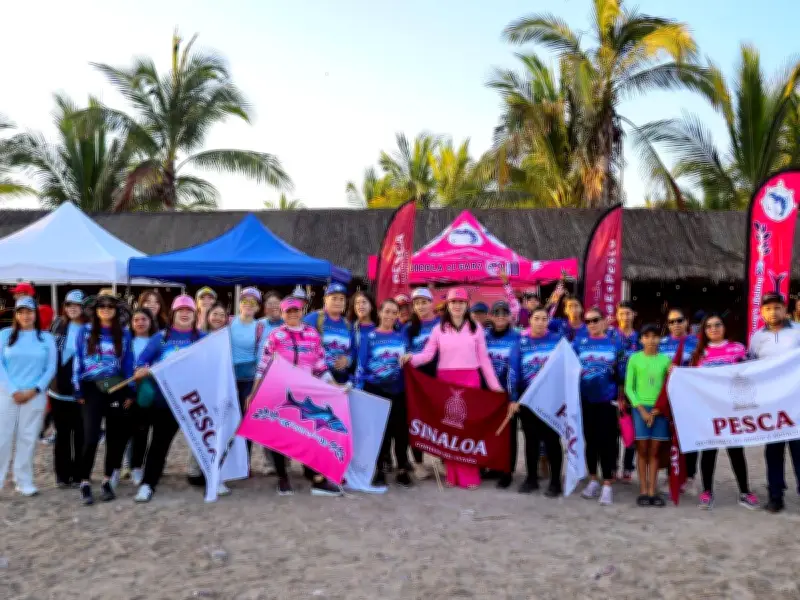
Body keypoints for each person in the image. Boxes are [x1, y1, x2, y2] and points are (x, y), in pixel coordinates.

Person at [402, 288, 504, 489]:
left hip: (470, 381)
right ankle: (452, 475)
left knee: (467, 429)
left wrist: (495, 386)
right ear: (447, 305)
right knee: (450, 429)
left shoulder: (475, 328)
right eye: (453, 302)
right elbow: (427, 355)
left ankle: (469, 475)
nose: (457, 306)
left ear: (466, 305)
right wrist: (410, 359)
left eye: (461, 302)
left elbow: (484, 360)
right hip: (446, 382)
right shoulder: (439, 328)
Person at [250, 296, 343, 497]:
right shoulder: (276, 335)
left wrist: (335, 386)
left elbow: (320, 365)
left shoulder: (312, 334)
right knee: (279, 434)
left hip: (307, 393)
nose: (292, 314)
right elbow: (263, 365)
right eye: (288, 311)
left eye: (296, 311)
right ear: (282, 314)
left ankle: (315, 478)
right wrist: (254, 393)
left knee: (309, 434)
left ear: (302, 312)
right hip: (279, 391)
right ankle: (282, 477)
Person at [131, 295, 215, 502]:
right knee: (158, 445)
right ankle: (148, 484)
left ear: (195, 315)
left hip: (194, 402)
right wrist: (142, 371)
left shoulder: (203, 338)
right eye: (181, 310)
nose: (185, 314)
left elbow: (213, 367)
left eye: (189, 311)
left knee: (204, 442)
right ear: (173, 314)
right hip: (165, 403)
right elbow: (141, 362)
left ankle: (212, 481)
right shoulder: (160, 338)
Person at [73, 289, 135, 505]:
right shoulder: (85, 331)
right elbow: (78, 359)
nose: (106, 310)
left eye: (110, 306)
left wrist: (131, 390)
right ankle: (84, 481)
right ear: (95, 310)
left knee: (115, 437)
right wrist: (77, 388)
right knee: (90, 437)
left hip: (117, 386)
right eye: (102, 306)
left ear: (116, 310)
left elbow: (128, 362)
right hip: (91, 387)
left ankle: (108, 480)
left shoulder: (124, 333)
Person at [690, 313, 758, 510]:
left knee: (736, 451)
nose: (713, 329)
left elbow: (752, 373)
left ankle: (745, 491)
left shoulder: (737, 348)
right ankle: (707, 492)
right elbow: (691, 379)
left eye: (717, 325)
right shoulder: (699, 353)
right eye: (709, 326)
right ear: (704, 330)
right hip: (708, 410)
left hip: (732, 410)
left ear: (724, 327)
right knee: (708, 452)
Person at [748, 293, 800, 513]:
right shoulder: (757, 337)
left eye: (777, 308)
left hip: (796, 402)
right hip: (770, 404)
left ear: (785, 309)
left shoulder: (798, 331)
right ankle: (775, 495)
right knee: (773, 450)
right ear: (761, 312)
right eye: (768, 309)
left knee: (799, 450)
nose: (773, 312)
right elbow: (750, 366)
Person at [0, 296, 57, 496]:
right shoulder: (5, 335)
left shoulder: (46, 338)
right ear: (16, 314)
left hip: (35, 395)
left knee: (28, 438)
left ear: (35, 314)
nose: (25, 316)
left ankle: (23, 480)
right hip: (8, 395)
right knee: (3, 438)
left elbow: (50, 367)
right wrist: (13, 390)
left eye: (29, 312)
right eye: (21, 312)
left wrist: (35, 390)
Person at [355, 299, 412, 488]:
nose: (389, 315)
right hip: (375, 390)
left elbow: (410, 362)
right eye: (386, 311)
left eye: (393, 312)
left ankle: (402, 469)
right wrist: (359, 390)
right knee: (380, 433)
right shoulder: (369, 337)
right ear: (379, 313)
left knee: (401, 433)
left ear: (397, 316)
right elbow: (361, 366)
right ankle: (380, 469)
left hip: (399, 390)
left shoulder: (402, 337)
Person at [508, 307, 563, 496]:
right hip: (528, 399)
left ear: (548, 321)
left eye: (544, 319)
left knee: (552, 440)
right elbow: (513, 371)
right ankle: (531, 479)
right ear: (529, 321)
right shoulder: (520, 343)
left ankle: (556, 482)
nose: (540, 322)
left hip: (551, 399)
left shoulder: (557, 341)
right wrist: (513, 399)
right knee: (530, 441)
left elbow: (567, 368)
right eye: (536, 318)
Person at [575, 307, 623, 505]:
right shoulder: (579, 343)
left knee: (608, 443)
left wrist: (621, 397)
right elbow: (565, 363)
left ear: (604, 321)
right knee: (590, 441)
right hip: (586, 401)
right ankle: (593, 479)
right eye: (588, 321)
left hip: (608, 401)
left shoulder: (614, 343)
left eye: (596, 320)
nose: (592, 324)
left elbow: (621, 373)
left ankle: (607, 484)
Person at [625, 324, 671, 507]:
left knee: (655, 451)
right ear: (641, 339)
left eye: (654, 336)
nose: (651, 340)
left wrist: (659, 409)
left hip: (659, 409)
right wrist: (642, 410)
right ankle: (643, 488)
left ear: (659, 339)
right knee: (642, 449)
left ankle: (653, 489)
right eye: (647, 336)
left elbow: (669, 385)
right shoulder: (634, 359)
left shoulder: (666, 360)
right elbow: (630, 387)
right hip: (640, 408)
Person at [48, 290, 87, 488]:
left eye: (77, 305)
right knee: (62, 435)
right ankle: (62, 475)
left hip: (80, 393)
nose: (73, 308)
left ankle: (79, 474)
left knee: (80, 434)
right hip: (57, 391)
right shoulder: (57, 324)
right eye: (70, 304)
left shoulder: (89, 328)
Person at [658, 308, 699, 490]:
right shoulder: (662, 344)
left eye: (679, 320)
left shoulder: (697, 343)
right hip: (668, 398)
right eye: (671, 322)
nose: (675, 325)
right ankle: (670, 474)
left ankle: (689, 476)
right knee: (669, 437)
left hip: (691, 397)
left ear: (687, 322)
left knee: (690, 437)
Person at [404, 287, 440, 480]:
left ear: (431, 303)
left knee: (440, 421)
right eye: (417, 303)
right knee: (416, 420)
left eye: (424, 302)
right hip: (416, 381)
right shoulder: (409, 328)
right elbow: (403, 351)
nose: (421, 306)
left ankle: (444, 459)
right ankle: (418, 463)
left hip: (437, 379)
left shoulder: (441, 324)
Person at [484, 300, 520, 488]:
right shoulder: (484, 336)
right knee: (491, 431)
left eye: (503, 313)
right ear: (491, 316)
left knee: (509, 434)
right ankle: (494, 466)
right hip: (488, 394)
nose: (500, 317)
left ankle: (507, 471)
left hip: (508, 393)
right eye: (496, 313)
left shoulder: (517, 337)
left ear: (509, 316)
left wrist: (514, 397)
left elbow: (517, 369)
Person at [124, 308, 159, 487]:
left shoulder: (158, 340)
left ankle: (137, 467)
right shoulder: (125, 341)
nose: (140, 323)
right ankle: (120, 467)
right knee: (123, 432)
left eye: (144, 319)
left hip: (148, 392)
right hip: (127, 391)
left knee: (141, 432)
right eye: (136, 319)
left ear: (151, 321)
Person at [611, 301, 641, 483]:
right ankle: (613, 466)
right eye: (621, 313)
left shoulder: (640, 338)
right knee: (613, 430)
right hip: (614, 389)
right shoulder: (610, 336)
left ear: (633, 315)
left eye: (628, 313)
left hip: (635, 390)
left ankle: (628, 467)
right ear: (617, 315)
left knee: (632, 429)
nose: (625, 317)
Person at [305, 282, 352, 384]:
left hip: (340, 379)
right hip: (317, 378)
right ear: (325, 299)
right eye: (334, 298)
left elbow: (353, 351)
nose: (338, 302)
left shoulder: (348, 324)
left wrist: (347, 360)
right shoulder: (313, 318)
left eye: (341, 299)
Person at [348, 290, 377, 359]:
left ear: (372, 306)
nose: (360, 305)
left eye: (364, 302)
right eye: (357, 303)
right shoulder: (349, 327)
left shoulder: (378, 328)